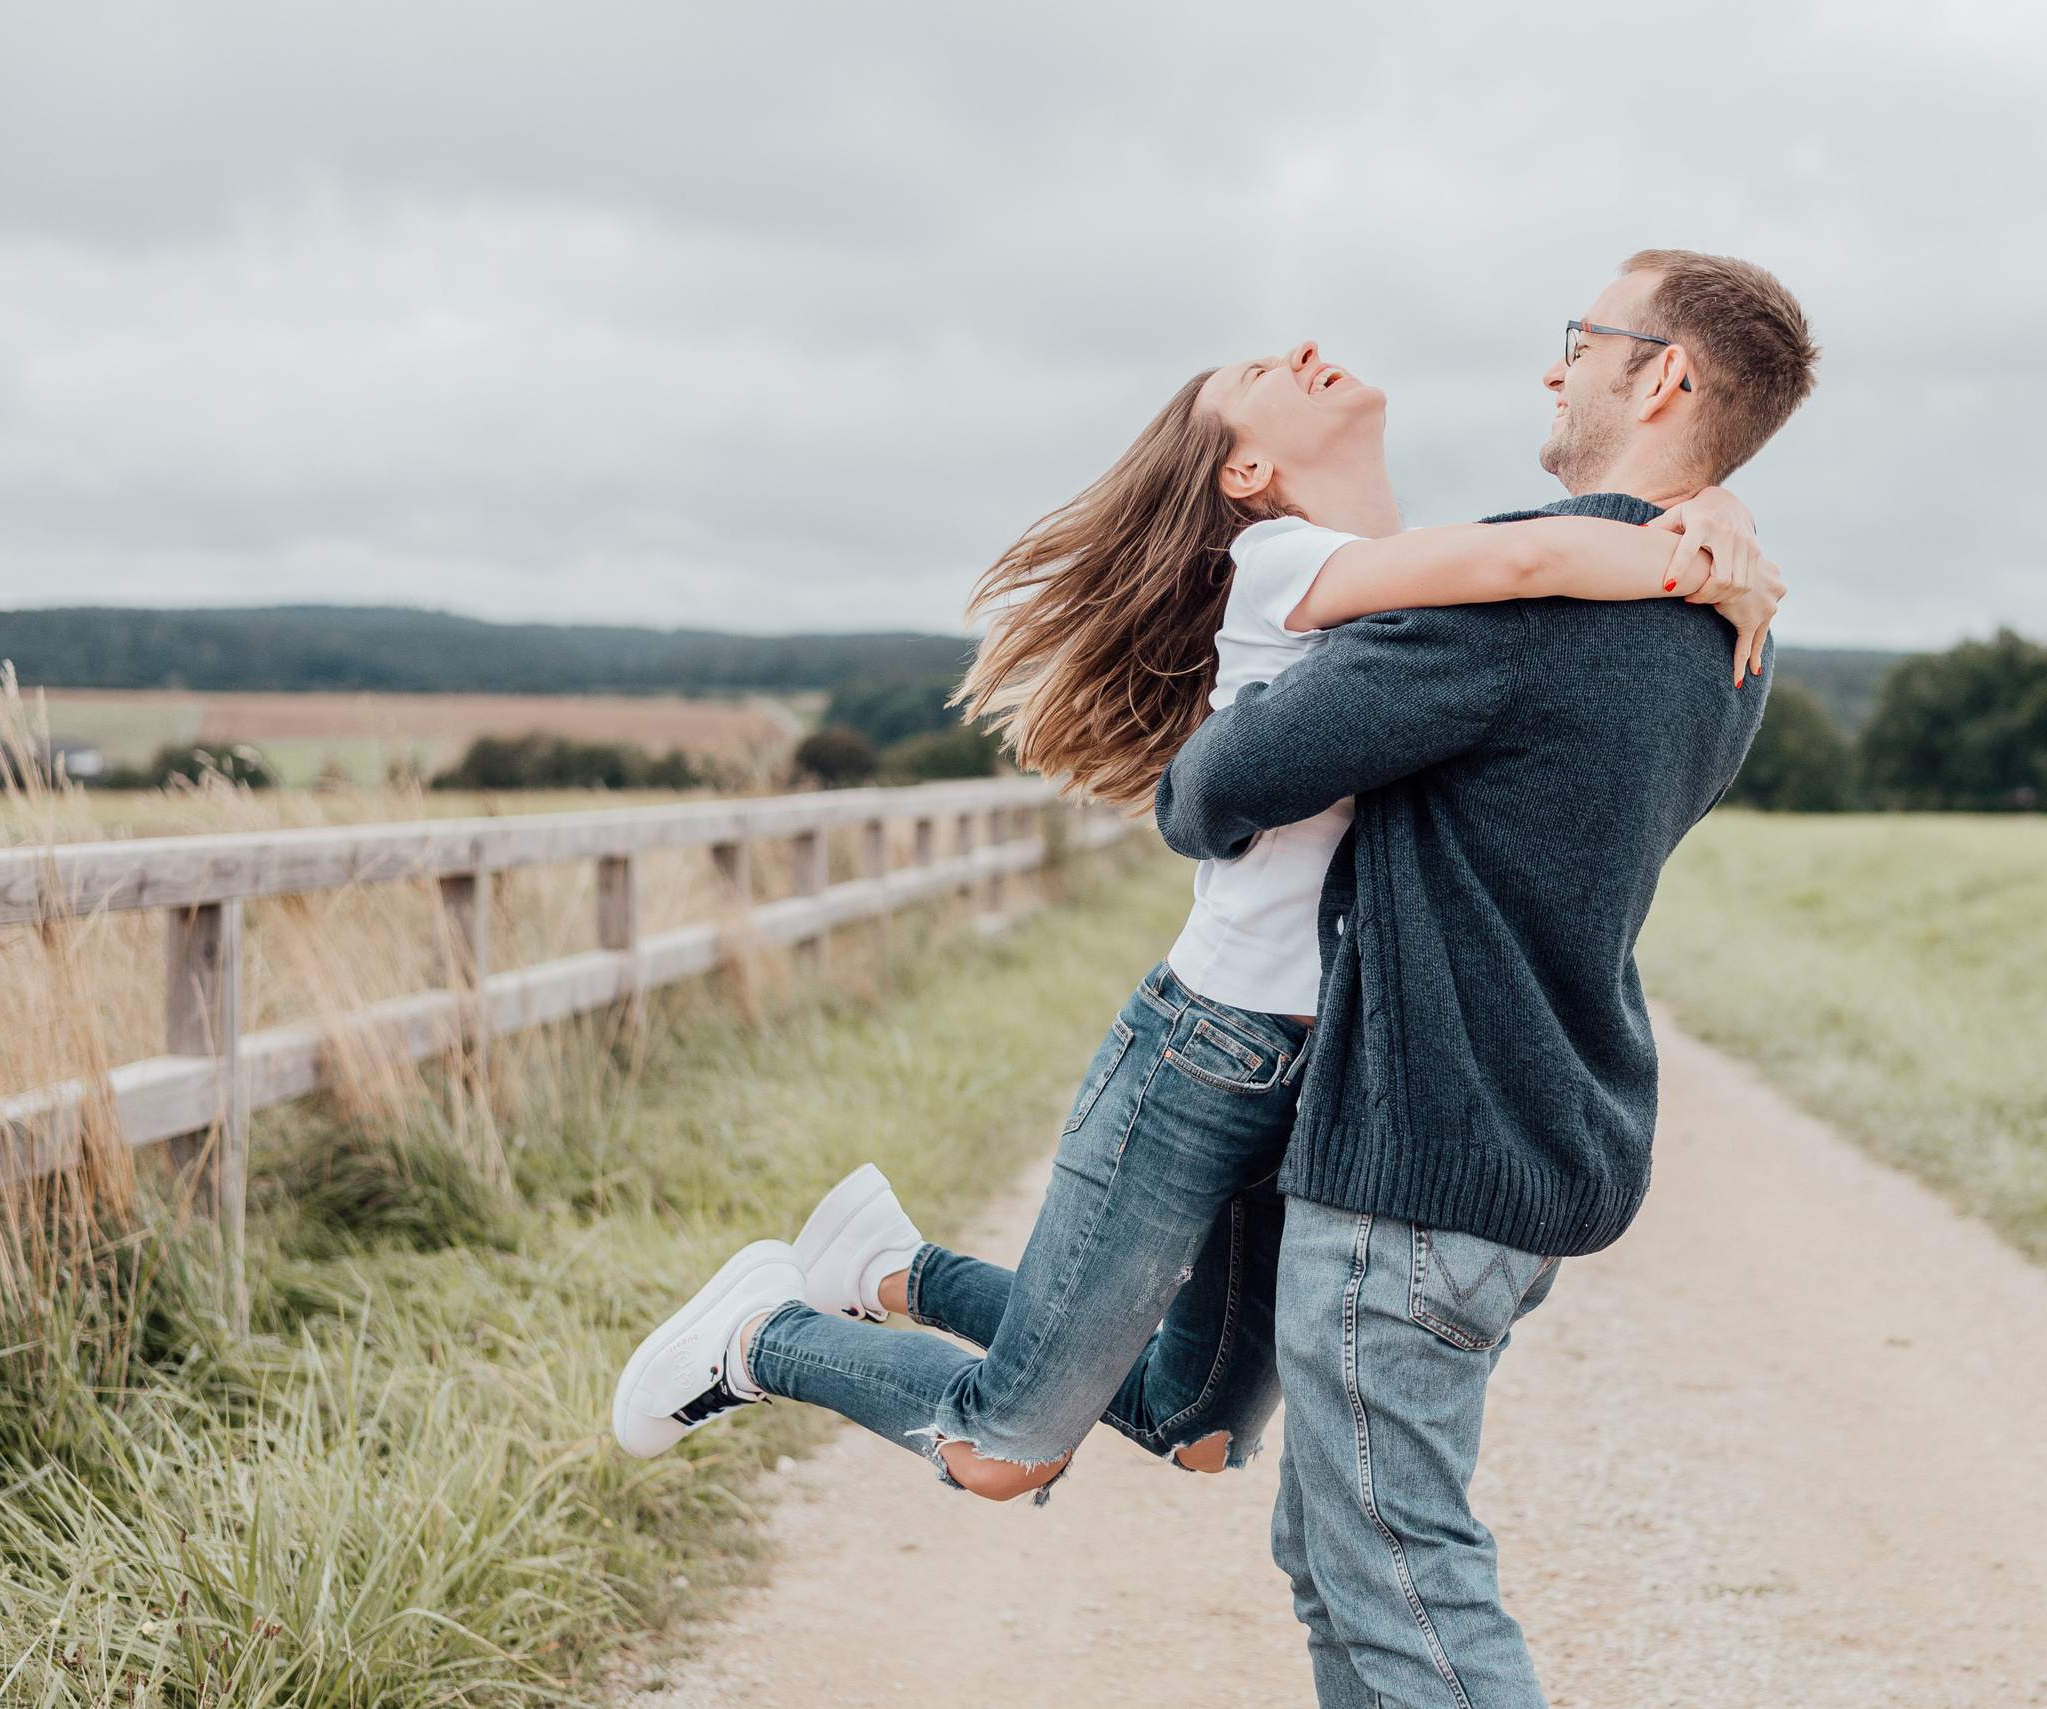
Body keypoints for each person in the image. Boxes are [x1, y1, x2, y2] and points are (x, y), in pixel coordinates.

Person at [611, 322, 1781, 1504]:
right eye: (1255, 373)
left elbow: (1534, 571)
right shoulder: (1287, 562)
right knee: (1002, 1449)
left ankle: (889, 1265)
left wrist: (1711, 502)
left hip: (1344, 1082)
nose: (1304, 346)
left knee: (1199, 1422)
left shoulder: (1414, 570)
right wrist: (1710, 554)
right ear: (1244, 475)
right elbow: (1537, 568)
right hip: (1210, 1045)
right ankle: (757, 1335)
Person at [1154, 248, 1820, 1707]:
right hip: (1517, 1147)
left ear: (1664, 376)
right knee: (1341, 1568)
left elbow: (1214, 790)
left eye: (1580, 339)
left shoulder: (1535, 599)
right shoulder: (1731, 620)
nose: (1552, 367)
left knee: (1402, 1586)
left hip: (1415, 1161)